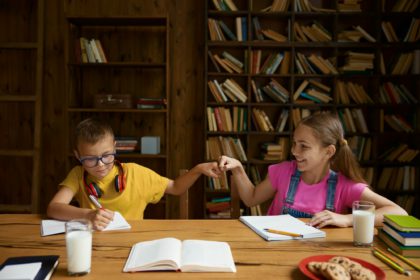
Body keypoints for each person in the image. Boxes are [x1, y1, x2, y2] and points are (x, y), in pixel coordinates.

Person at [218, 112, 407, 228]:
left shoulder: (345, 186)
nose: (294, 151)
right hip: (274, 252)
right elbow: (251, 198)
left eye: (303, 146)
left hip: (319, 255)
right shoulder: (284, 172)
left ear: (328, 151)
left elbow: (398, 213)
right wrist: (238, 168)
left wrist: (348, 219)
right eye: (294, 144)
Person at [47, 118, 221, 230]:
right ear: (77, 155)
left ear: (115, 147)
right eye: (90, 159)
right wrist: (87, 215)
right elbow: (53, 208)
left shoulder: (136, 173)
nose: (100, 165)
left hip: (132, 242)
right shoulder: (78, 175)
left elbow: (175, 188)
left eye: (107, 156)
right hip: (94, 243)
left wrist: (198, 169)